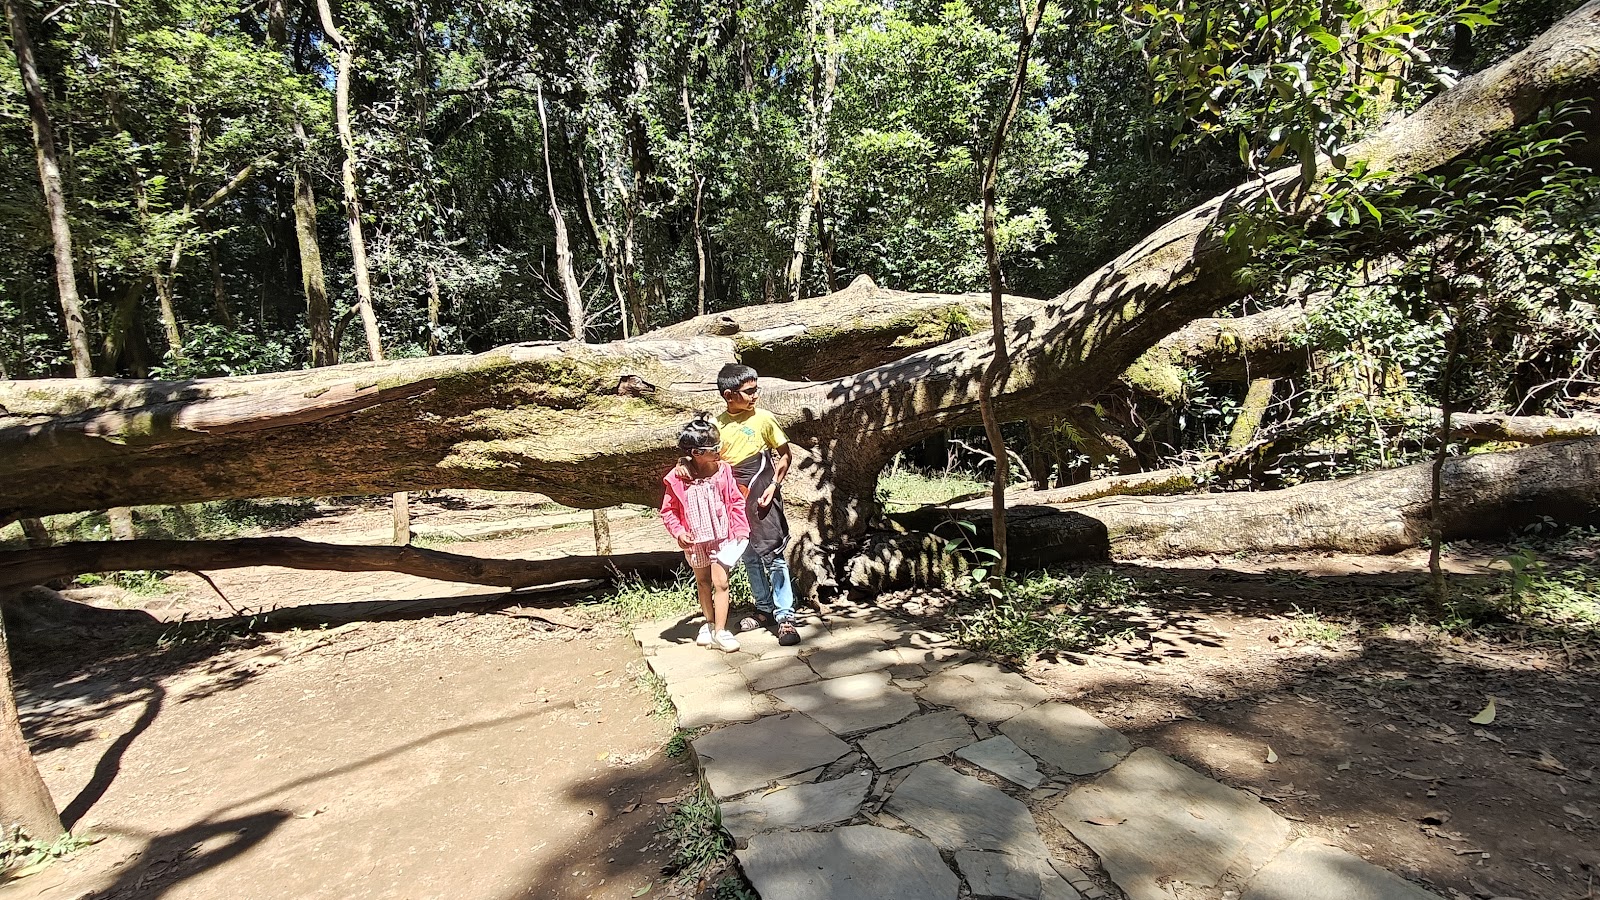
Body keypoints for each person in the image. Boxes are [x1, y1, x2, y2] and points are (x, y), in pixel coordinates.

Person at [712, 363, 802, 646]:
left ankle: (785, 616)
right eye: (749, 391)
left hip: (764, 492)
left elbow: (785, 455)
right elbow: (709, 465)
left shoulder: (764, 419)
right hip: (735, 500)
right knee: (749, 556)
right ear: (729, 395)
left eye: (756, 389)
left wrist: (774, 486)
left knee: (773, 555)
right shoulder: (716, 427)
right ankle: (763, 609)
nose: (755, 396)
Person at [659, 414, 750, 652]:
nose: (719, 450)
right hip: (695, 541)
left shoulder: (723, 471)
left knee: (721, 582)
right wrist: (678, 532)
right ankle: (708, 625)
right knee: (703, 582)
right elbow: (668, 510)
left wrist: (740, 528)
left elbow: (735, 501)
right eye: (714, 448)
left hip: (722, 537)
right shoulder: (677, 478)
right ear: (697, 453)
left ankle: (721, 631)